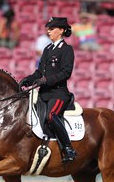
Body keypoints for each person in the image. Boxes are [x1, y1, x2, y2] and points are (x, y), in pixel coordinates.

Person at [19, 17, 76, 164]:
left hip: (58, 93)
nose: (48, 31)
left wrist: (46, 80)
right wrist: (28, 79)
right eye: (48, 29)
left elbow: (66, 73)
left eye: (52, 28)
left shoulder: (67, 50)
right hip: (43, 93)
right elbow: (39, 72)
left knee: (51, 115)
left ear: (62, 30)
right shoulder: (47, 49)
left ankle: (68, 148)